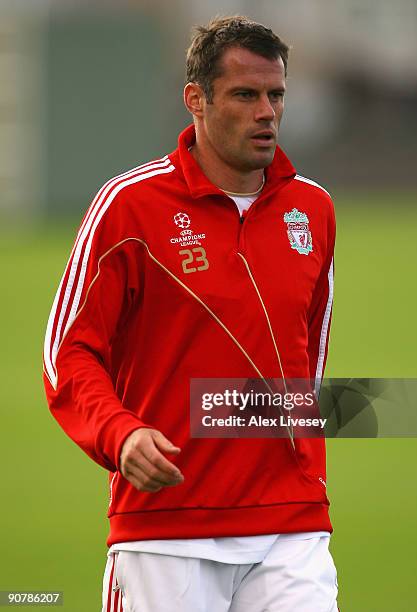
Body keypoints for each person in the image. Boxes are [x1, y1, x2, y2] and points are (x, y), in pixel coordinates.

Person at [43, 15, 338, 612]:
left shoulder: (313, 210)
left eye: (276, 95)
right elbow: (67, 353)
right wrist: (118, 433)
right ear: (196, 101)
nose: (266, 113)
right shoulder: (128, 207)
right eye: (245, 95)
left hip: (290, 525)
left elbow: (308, 363)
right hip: (166, 528)